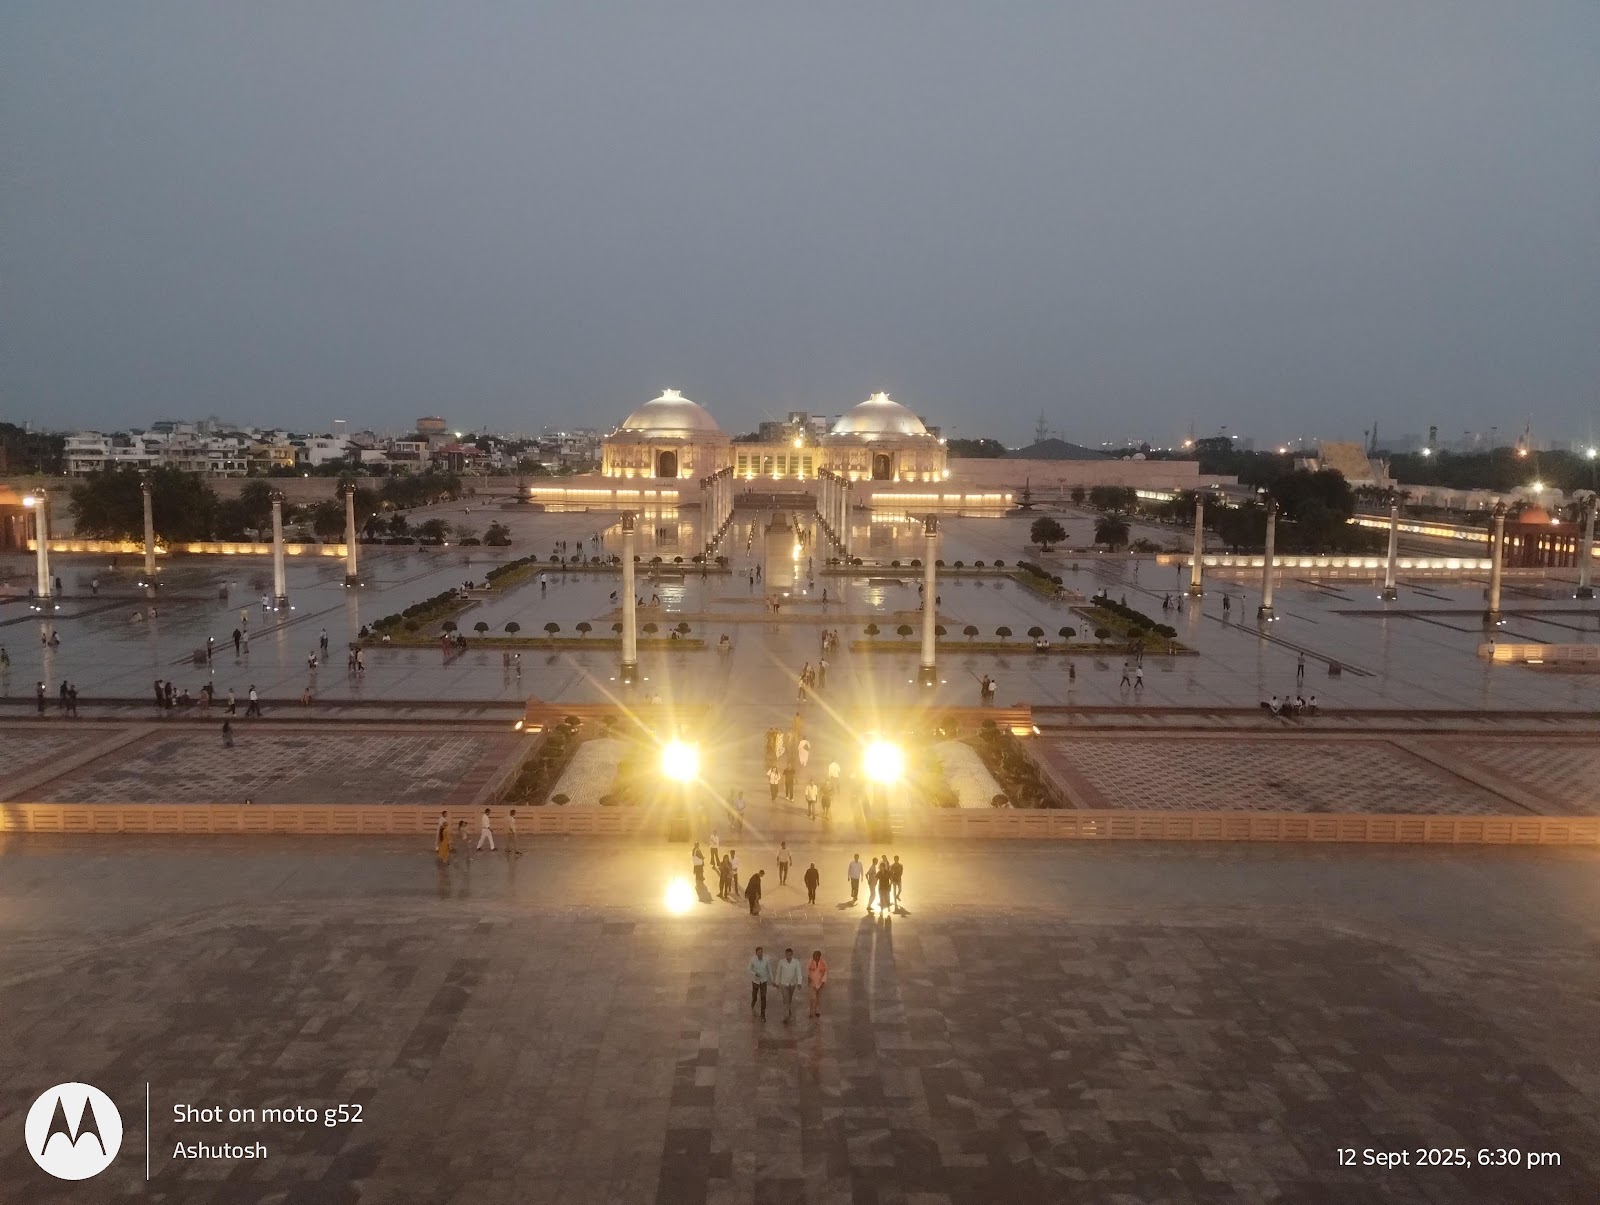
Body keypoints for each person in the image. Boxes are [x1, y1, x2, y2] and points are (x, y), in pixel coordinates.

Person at [774, 947, 803, 1023]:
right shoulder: (781, 962)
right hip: (784, 984)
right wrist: (777, 982)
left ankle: (789, 1008)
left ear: (792, 955)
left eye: (790, 954)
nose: (788, 956)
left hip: (792, 984)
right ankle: (786, 1016)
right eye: (787, 954)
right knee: (786, 999)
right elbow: (778, 973)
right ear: (785, 954)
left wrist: (799, 982)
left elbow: (799, 972)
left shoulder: (796, 962)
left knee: (789, 998)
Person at [748, 947, 772, 1019]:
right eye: (759, 952)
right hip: (755, 981)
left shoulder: (766, 960)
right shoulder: (753, 960)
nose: (760, 953)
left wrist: (772, 979)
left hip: (763, 981)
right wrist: (754, 973)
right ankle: (753, 1001)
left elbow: (769, 969)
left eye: (761, 952)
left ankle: (763, 1014)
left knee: (763, 997)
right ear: (756, 953)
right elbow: (749, 968)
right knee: (755, 995)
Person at [806, 949, 828, 1017]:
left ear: (819, 956)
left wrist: (823, 982)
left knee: (818, 998)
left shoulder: (823, 963)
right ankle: (811, 1012)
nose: (814, 957)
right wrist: (809, 978)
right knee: (812, 998)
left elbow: (825, 973)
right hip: (812, 983)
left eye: (815, 956)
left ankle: (817, 1011)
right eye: (813, 956)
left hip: (820, 983)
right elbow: (808, 970)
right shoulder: (810, 961)